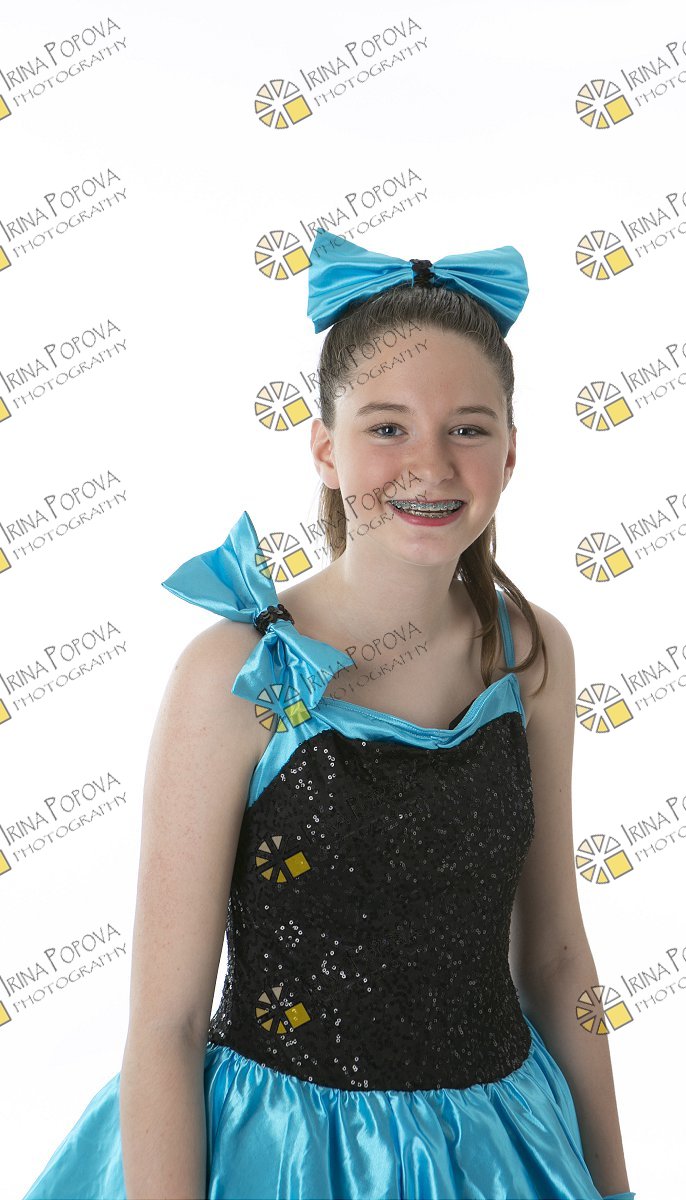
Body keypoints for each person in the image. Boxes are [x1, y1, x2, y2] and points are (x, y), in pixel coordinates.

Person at [20, 228, 636, 1200]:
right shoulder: (237, 671)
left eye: (467, 429)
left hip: (497, 1151)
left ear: (511, 452)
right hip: (280, 1154)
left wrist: (614, 1187)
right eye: (386, 428)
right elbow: (166, 1024)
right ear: (325, 447)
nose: (429, 464)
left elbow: (557, 958)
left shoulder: (531, 657)